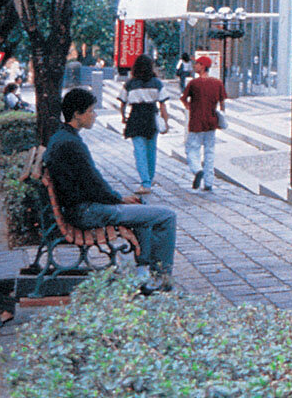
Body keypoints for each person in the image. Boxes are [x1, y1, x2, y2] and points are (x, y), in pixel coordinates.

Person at [44, 88, 176, 294]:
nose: (94, 115)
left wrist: (119, 199)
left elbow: (91, 183)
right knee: (166, 216)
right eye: (90, 111)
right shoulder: (71, 144)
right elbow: (94, 184)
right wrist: (119, 199)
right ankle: (161, 278)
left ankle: (144, 273)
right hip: (87, 212)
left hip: (79, 208)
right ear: (77, 114)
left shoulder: (63, 137)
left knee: (141, 209)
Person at [119, 55, 170, 195]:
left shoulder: (130, 84)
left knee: (139, 151)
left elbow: (122, 102)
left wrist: (123, 117)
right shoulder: (157, 83)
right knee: (151, 149)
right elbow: (163, 105)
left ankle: (145, 182)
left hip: (135, 116)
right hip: (151, 116)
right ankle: (150, 178)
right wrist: (166, 122)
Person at [181, 56, 225, 192]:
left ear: (203, 66)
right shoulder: (218, 83)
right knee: (209, 151)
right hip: (211, 121)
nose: (195, 66)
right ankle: (209, 182)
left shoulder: (194, 83)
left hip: (196, 121)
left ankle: (197, 169)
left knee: (191, 149)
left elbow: (184, 99)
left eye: (197, 64)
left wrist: (189, 106)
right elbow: (222, 103)